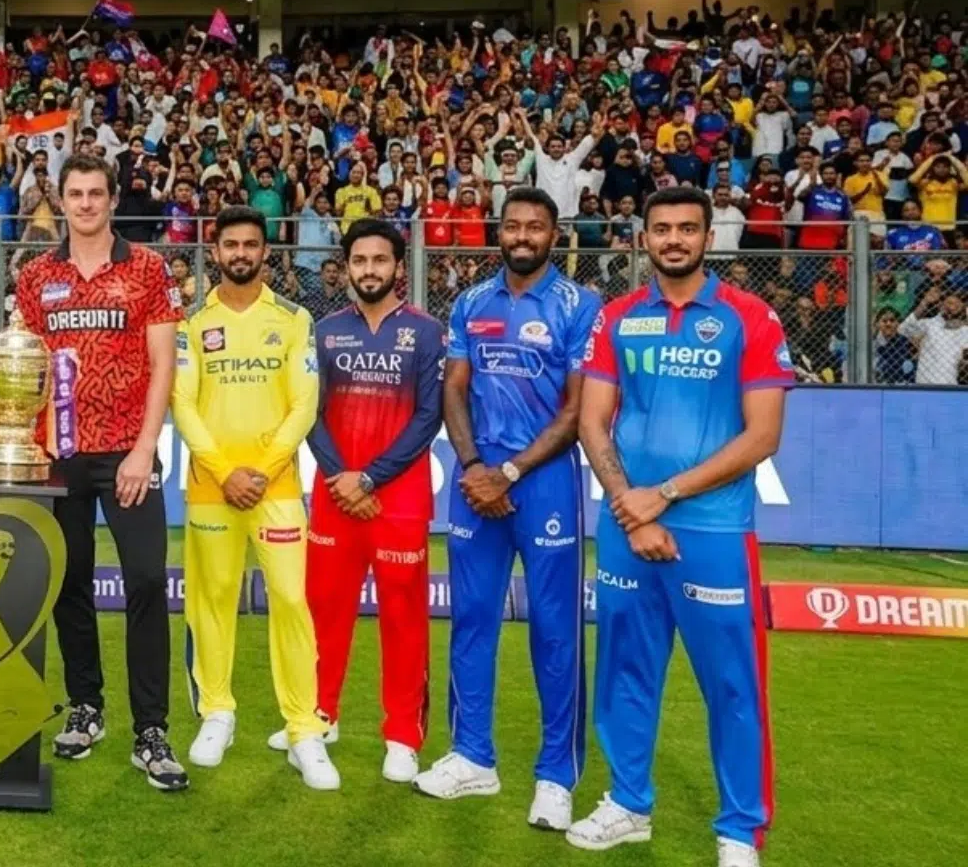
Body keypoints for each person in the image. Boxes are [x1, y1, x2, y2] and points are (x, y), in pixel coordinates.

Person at [571, 186, 793, 867]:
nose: (674, 239)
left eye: (687, 228)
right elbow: (592, 421)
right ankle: (628, 803)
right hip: (625, 527)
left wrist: (662, 496)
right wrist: (629, 506)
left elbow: (762, 436)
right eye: (662, 228)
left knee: (731, 685)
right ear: (644, 238)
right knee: (625, 672)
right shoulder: (617, 317)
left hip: (714, 531)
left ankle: (739, 830)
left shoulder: (749, 318)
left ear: (707, 237)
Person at [416, 187, 599, 830]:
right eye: (513, 226)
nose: (523, 236)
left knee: (555, 629)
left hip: (544, 480)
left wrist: (511, 473)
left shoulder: (580, 305)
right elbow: (453, 389)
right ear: (500, 232)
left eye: (535, 227)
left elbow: (577, 411)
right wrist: (472, 467)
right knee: (471, 618)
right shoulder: (471, 301)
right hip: (475, 481)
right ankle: (472, 756)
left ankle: (556, 777)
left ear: (554, 234)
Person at [13, 155, 185, 791]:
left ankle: (151, 729)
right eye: (75, 193)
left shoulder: (147, 268)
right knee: (69, 583)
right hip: (58, 453)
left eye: (95, 193)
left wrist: (145, 448)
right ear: (60, 201)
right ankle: (86, 706)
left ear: (113, 199)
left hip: (127, 454)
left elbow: (163, 364)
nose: (85, 203)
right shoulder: (36, 274)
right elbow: (25, 366)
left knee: (147, 579)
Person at [170, 206, 336, 790]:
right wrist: (224, 472)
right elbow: (182, 403)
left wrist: (260, 472)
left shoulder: (293, 318)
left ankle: (303, 729)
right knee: (212, 600)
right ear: (215, 252)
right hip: (210, 489)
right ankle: (217, 711)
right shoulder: (193, 322)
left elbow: (304, 404)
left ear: (266, 252)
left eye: (250, 244)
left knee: (290, 600)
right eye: (230, 245)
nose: (240, 253)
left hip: (276, 488)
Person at [302, 217, 444, 787]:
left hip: (398, 498)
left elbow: (429, 416)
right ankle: (319, 717)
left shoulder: (426, 332)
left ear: (397, 266)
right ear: (346, 268)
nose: (369, 270)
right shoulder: (324, 331)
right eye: (359, 260)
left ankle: (402, 737)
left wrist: (370, 478)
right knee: (323, 613)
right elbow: (309, 412)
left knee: (404, 621)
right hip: (335, 494)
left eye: (379, 260)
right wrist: (342, 477)